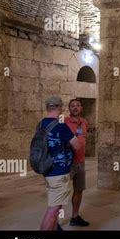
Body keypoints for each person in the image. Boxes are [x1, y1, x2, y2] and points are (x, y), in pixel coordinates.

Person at [39, 96, 80, 231]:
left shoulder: (41, 124)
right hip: (58, 173)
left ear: (47, 108)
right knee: (53, 211)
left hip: (47, 170)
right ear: (60, 107)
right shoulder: (60, 126)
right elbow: (77, 145)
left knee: (53, 207)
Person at [64, 99, 90, 227]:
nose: (75, 108)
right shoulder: (64, 122)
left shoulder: (84, 122)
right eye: (72, 106)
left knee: (79, 190)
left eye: (77, 105)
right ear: (69, 108)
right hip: (68, 163)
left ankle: (74, 217)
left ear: (81, 108)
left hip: (81, 162)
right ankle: (55, 221)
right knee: (62, 192)